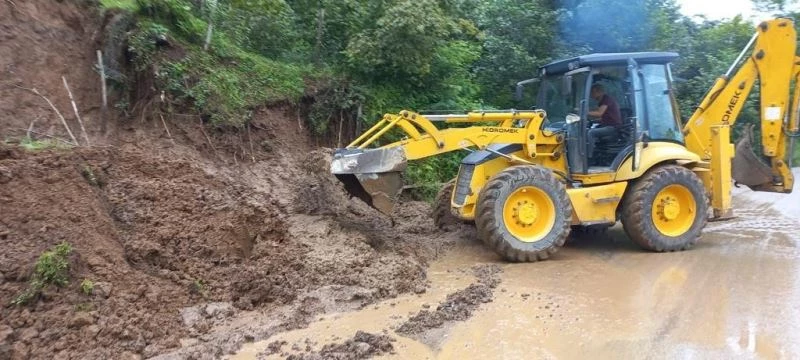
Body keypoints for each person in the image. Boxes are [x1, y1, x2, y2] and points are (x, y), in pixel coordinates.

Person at [586, 83, 622, 160]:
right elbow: (605, 117)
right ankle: (596, 152)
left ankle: (589, 158)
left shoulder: (606, 99)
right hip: (608, 125)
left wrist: (585, 112)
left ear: (599, 92)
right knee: (588, 129)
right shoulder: (603, 100)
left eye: (592, 92)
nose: (591, 95)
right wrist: (592, 121)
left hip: (612, 127)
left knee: (591, 133)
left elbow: (599, 113)